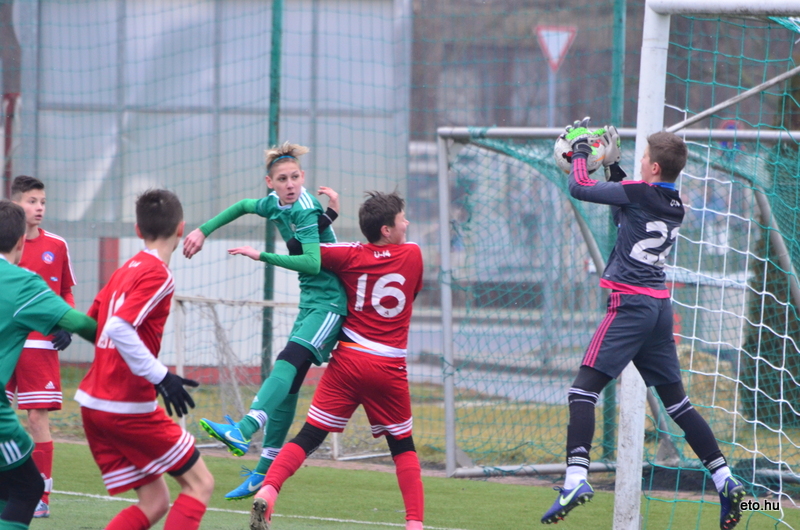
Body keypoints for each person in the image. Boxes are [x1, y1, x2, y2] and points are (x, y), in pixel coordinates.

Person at [541, 120, 745, 530]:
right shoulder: (676, 203)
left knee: (582, 391)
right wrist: (613, 168)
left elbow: (580, 187)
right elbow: (627, 209)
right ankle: (725, 479)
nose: (639, 163)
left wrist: (580, 152)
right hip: (658, 308)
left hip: (630, 305)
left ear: (653, 168)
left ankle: (576, 479)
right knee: (678, 404)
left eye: (644, 158)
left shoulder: (639, 193)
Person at [228, 191, 425, 530]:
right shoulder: (413, 254)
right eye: (401, 219)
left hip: (348, 362)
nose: (406, 223)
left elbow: (302, 251)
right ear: (387, 230)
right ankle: (414, 523)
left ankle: (269, 490)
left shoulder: (350, 253)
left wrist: (321, 218)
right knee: (402, 446)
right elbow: (411, 294)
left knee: (309, 436)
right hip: (388, 366)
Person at [183, 142, 347, 500]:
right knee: (288, 386)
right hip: (311, 301)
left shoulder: (304, 208)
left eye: (295, 177)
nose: (290, 184)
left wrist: (261, 255)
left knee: (286, 363)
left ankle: (244, 428)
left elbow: (312, 264)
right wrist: (202, 231)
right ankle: (262, 472)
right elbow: (243, 206)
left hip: (330, 302)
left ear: (303, 177)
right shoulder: (274, 203)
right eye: (282, 179)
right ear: (270, 183)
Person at [75, 189, 214, 530]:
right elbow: (118, 327)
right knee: (200, 484)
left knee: (155, 501)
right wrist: (161, 376)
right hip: (125, 406)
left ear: (138, 230)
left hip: (94, 403)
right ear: (181, 228)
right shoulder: (158, 274)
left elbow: (93, 324)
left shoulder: (125, 270)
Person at [0, 199, 96, 530]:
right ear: (20, 242)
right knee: (28, 487)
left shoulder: (54, 249)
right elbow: (81, 325)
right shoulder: (22, 283)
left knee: (6, 484)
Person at [3, 176, 77, 519]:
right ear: (15, 205)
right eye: (32, 201)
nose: (39, 208)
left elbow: (65, 292)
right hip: (7, 341)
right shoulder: (5, 244)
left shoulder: (57, 245)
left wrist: (66, 324)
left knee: (36, 417)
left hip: (38, 344)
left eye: (43, 202)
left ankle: (42, 495)